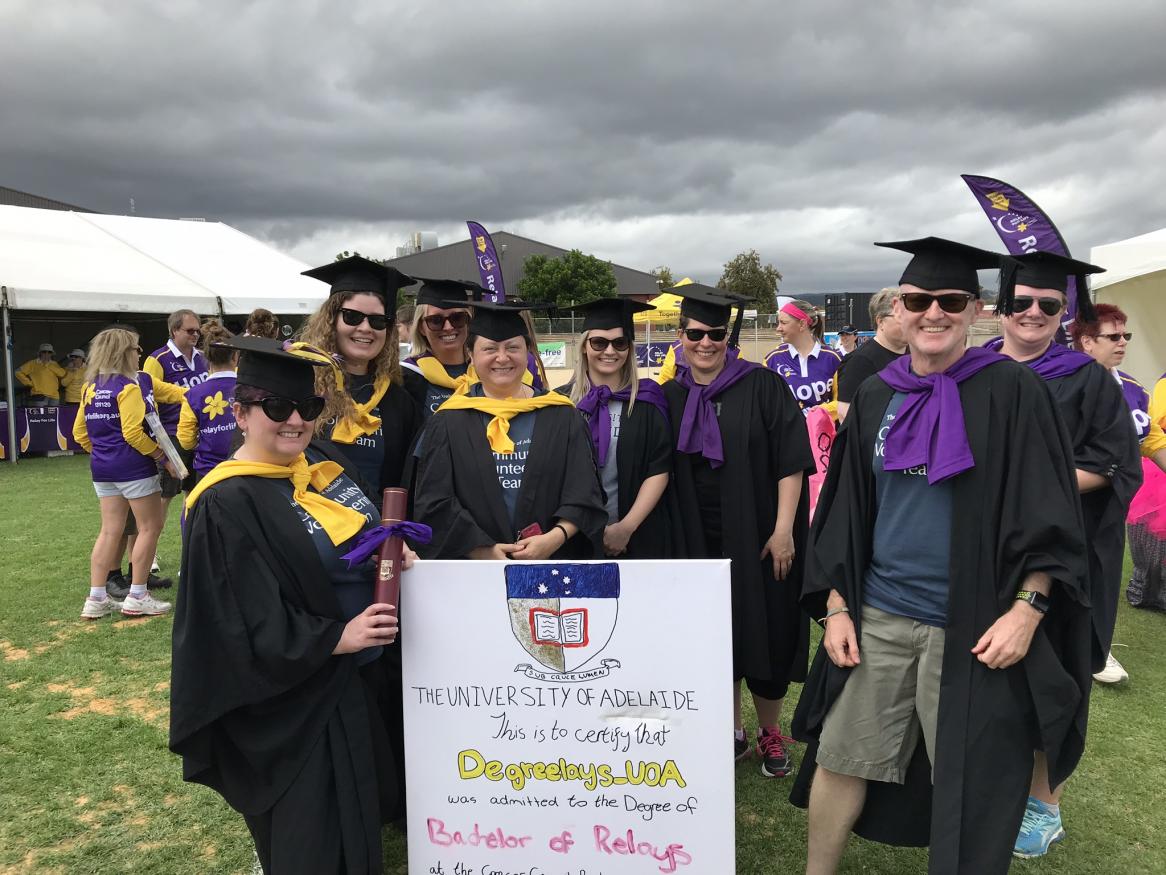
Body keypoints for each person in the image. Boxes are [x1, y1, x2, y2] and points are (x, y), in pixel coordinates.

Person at [792, 237, 1091, 875]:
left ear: (976, 309)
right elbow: (843, 509)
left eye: (949, 301)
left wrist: (1029, 609)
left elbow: (1049, 510)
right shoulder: (876, 394)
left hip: (978, 624)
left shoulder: (1013, 391)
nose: (933, 313)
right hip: (880, 617)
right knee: (840, 756)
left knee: (972, 778)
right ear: (898, 307)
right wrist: (838, 607)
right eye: (918, 300)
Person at [171, 337, 411, 874]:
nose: (295, 420)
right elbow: (238, 616)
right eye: (276, 408)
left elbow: (342, 543)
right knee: (313, 846)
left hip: (348, 685)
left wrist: (386, 555)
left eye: (308, 408)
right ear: (241, 413)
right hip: (293, 703)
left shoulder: (316, 468)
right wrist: (334, 637)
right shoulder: (225, 502)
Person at [987, 252, 1142, 858]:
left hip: (1066, 555)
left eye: (1048, 305)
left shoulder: (1087, 379)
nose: (1032, 313)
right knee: (992, 671)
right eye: (1021, 302)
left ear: (1064, 312)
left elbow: (1114, 466)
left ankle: (1044, 804)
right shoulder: (973, 371)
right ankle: (994, 781)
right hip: (987, 550)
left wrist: (1027, 481)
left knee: (1055, 675)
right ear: (1001, 307)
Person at [662, 284, 813, 780]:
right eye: (695, 334)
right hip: (694, 539)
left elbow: (792, 460)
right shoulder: (669, 394)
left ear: (729, 336)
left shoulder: (763, 385)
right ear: (680, 335)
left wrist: (785, 529)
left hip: (760, 533)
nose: (705, 343)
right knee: (712, 634)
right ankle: (731, 731)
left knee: (766, 628)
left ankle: (770, 730)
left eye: (715, 335)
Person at [414, 300, 607, 561]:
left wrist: (554, 538)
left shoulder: (562, 415)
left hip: (550, 564)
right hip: (472, 571)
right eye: (490, 349)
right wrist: (481, 549)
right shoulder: (448, 420)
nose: (502, 357)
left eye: (512, 347)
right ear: (471, 353)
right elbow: (434, 502)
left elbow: (586, 492)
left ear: (527, 351)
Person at [73, 327, 184, 619]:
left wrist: (102, 452)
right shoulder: (128, 387)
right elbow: (134, 432)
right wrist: (163, 457)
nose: (140, 353)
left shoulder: (90, 386)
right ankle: (138, 595)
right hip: (133, 468)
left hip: (102, 468)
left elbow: (79, 433)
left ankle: (96, 598)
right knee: (150, 527)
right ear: (124, 352)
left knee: (110, 530)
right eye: (136, 349)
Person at [558, 297, 677, 558]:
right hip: (573, 537)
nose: (609, 351)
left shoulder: (648, 400)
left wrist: (626, 528)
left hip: (637, 534)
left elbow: (659, 468)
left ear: (629, 349)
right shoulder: (561, 403)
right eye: (599, 342)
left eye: (619, 343)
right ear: (584, 347)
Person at [299, 255, 424, 495]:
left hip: (374, 529)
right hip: (308, 526)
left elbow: (410, 480)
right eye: (352, 317)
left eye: (378, 321)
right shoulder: (301, 386)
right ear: (331, 320)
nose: (365, 328)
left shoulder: (399, 401)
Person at [1073, 304, 1166, 620]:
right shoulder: (1061, 382)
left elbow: (1153, 440)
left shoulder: (1133, 388)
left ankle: (1093, 647)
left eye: (1125, 335)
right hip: (1066, 502)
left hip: (1112, 507)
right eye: (1113, 336)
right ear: (1087, 341)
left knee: (1100, 577)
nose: (1123, 342)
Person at [143, 308, 207, 568]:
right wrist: (157, 439)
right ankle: (151, 551)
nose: (195, 335)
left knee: (192, 493)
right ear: (174, 331)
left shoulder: (202, 357)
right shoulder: (157, 359)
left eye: (197, 330)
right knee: (164, 496)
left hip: (199, 435)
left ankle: (190, 548)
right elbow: (148, 397)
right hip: (171, 435)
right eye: (190, 330)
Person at [400, 278, 479, 416]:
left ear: (468, 321)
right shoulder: (406, 378)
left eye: (457, 318)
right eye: (436, 321)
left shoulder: (484, 370)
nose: (448, 327)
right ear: (421, 328)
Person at [177, 323, 238, 483]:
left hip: (208, 472)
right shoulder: (249, 388)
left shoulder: (192, 394)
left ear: (207, 358)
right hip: (245, 466)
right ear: (234, 356)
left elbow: (185, 440)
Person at [835, 290, 906, 422]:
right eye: (902, 317)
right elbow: (845, 415)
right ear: (880, 322)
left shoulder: (917, 354)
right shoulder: (858, 362)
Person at [765, 300, 843, 413]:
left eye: (783, 323)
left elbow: (843, 402)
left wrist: (821, 412)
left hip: (824, 430)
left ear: (802, 324)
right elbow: (767, 405)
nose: (778, 328)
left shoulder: (833, 359)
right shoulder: (772, 360)